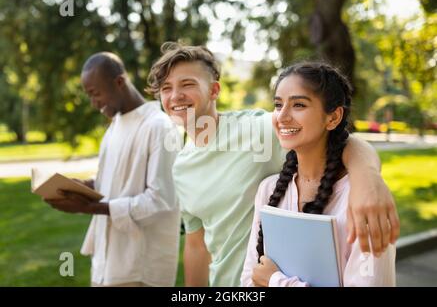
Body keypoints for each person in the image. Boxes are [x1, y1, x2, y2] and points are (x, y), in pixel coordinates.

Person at [147, 42, 399, 287]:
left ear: (214, 90)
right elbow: (196, 245)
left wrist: (367, 180)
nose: (175, 95)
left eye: (187, 84)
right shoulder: (181, 167)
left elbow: (340, 137)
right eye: (166, 88)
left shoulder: (259, 129)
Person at [241, 62, 396, 287]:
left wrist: (276, 281)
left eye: (299, 105)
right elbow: (249, 279)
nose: (282, 116)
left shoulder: (364, 200)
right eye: (277, 104)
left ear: (333, 118)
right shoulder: (269, 190)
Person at [44, 52, 180, 287]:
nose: (93, 102)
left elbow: (161, 201)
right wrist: (81, 187)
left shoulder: (159, 127)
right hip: (106, 264)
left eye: (95, 93)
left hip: (141, 268)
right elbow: (111, 181)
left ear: (119, 82)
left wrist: (91, 208)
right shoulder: (114, 127)